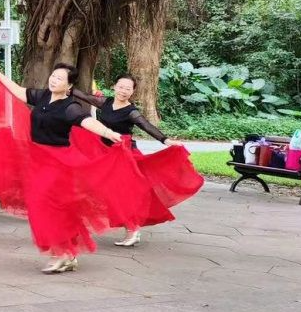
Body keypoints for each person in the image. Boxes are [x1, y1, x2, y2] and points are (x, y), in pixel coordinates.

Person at [0, 58, 132, 274]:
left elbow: (87, 122)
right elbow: (17, 90)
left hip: (58, 162)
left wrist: (109, 133)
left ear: (69, 86)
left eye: (60, 78)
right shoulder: (43, 96)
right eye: (53, 76)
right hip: (37, 159)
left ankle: (61, 253)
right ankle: (68, 253)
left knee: (48, 206)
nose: (54, 80)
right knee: (44, 206)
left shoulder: (70, 107)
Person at [72, 75, 203, 247]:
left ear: (133, 91)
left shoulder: (131, 111)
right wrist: (64, 85)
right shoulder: (105, 102)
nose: (123, 91)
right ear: (114, 87)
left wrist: (166, 140)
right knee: (102, 190)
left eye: (127, 88)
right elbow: (81, 95)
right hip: (104, 153)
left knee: (122, 193)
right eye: (121, 87)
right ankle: (129, 229)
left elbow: (146, 126)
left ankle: (133, 230)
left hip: (124, 155)